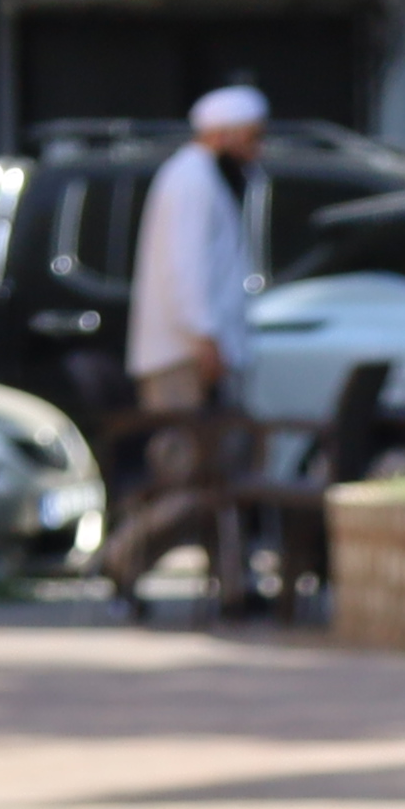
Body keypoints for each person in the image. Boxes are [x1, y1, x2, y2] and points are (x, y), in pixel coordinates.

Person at [112, 83, 266, 604]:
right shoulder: (192, 182)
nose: (256, 150)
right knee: (193, 477)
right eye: (251, 138)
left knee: (223, 472)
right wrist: (205, 337)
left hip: (197, 348)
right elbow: (186, 271)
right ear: (224, 135)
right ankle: (122, 556)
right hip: (186, 355)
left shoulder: (201, 180)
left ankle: (233, 583)